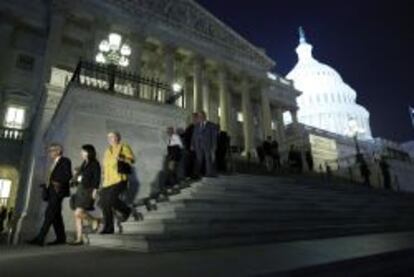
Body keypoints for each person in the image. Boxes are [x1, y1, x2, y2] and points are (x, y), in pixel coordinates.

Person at [28, 143, 72, 246]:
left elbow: (68, 175)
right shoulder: (54, 163)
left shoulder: (65, 160)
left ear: (58, 151)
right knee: (56, 216)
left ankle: (40, 238)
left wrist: (57, 182)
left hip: (58, 191)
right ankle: (61, 238)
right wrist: (46, 185)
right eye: (50, 150)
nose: (50, 152)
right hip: (51, 191)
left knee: (49, 214)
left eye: (52, 150)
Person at [100, 131, 138, 234]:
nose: (109, 139)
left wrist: (122, 158)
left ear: (117, 137)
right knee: (104, 203)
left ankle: (126, 210)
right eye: (108, 137)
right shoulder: (107, 151)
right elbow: (104, 166)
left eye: (112, 136)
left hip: (119, 179)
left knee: (111, 200)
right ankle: (108, 228)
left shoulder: (123, 146)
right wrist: (103, 177)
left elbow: (132, 159)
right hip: (107, 181)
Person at [69, 144, 102, 245]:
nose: (81, 153)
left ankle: (94, 221)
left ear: (89, 152)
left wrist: (95, 191)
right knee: (77, 216)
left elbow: (97, 179)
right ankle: (79, 239)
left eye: (83, 151)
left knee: (78, 213)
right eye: (81, 151)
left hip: (88, 190)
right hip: (80, 190)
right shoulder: (84, 163)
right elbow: (80, 177)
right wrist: (75, 180)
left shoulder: (95, 164)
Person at [191, 111, 218, 177]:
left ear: (204, 116)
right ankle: (196, 173)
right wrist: (192, 144)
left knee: (208, 160)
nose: (200, 117)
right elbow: (194, 136)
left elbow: (214, 137)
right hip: (198, 145)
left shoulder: (211, 125)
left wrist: (214, 147)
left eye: (201, 116)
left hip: (207, 145)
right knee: (198, 159)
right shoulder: (197, 126)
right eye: (199, 116)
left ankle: (209, 173)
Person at [183, 113, 198, 179]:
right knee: (190, 161)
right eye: (193, 118)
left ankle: (194, 174)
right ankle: (190, 174)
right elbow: (186, 136)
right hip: (190, 148)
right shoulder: (190, 127)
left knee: (196, 162)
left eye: (195, 118)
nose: (194, 119)